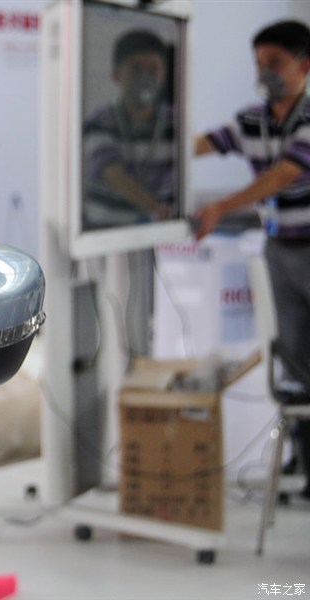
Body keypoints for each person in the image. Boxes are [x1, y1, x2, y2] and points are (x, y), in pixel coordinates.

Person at [193, 20, 310, 498]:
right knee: (294, 359)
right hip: (280, 249)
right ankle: (305, 461)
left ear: (304, 65)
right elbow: (203, 144)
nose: (266, 73)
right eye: (260, 64)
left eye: (276, 63)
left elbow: (283, 174)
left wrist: (221, 207)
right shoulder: (252, 120)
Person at [82, 29, 176, 230]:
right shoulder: (98, 122)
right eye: (135, 69)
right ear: (116, 75)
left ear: (163, 74)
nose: (145, 78)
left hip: (157, 233)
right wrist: (155, 208)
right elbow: (114, 175)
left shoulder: (175, 122)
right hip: (104, 231)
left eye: (153, 70)